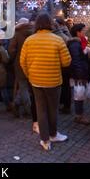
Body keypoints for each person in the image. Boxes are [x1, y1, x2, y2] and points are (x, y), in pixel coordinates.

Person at [20, 13, 71, 151]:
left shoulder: (29, 40)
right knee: (52, 109)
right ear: (51, 24)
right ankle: (53, 134)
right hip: (53, 81)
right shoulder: (57, 40)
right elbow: (66, 62)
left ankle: (45, 139)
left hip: (36, 81)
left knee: (41, 110)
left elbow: (22, 61)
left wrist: (30, 75)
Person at [67, 24, 90, 125]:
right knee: (79, 94)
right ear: (78, 32)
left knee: (80, 94)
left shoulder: (77, 43)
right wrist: (79, 74)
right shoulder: (75, 45)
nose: (84, 32)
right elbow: (76, 61)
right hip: (78, 74)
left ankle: (80, 115)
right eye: (83, 30)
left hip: (79, 72)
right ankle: (79, 116)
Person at [8, 18, 34, 118]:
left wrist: (11, 59)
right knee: (31, 87)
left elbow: (12, 50)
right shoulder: (34, 32)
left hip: (20, 64)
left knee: (23, 86)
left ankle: (28, 109)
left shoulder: (17, 33)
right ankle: (18, 103)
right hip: (33, 62)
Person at [53, 21, 71, 114]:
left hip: (59, 65)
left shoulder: (56, 38)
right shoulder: (65, 36)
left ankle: (63, 105)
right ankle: (66, 105)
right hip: (66, 65)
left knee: (61, 86)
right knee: (66, 86)